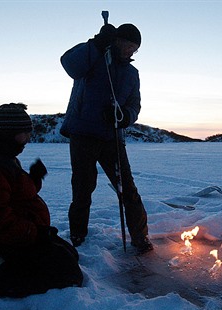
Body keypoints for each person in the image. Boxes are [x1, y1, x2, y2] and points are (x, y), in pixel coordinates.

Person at [0, 103, 83, 300]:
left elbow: (18, 194)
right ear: (8, 132)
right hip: (6, 239)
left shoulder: (2, 157)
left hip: (21, 232)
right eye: (24, 133)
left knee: (68, 254)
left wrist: (34, 179)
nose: (28, 138)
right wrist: (33, 233)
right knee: (67, 275)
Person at [60, 22, 153, 253]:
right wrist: (96, 44)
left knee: (127, 188)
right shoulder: (95, 56)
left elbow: (134, 104)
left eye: (135, 48)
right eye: (129, 45)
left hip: (112, 136)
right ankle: (77, 236)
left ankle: (140, 237)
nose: (131, 52)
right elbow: (70, 64)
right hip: (83, 133)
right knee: (83, 187)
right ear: (117, 41)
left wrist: (124, 118)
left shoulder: (132, 73)